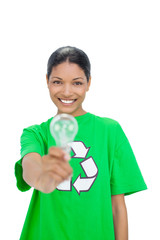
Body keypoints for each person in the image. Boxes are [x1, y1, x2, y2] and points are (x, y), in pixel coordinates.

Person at [15, 46, 147, 240]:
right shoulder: (36, 133)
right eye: (57, 82)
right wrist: (41, 175)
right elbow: (30, 167)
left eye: (77, 83)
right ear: (47, 81)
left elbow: (118, 207)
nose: (67, 92)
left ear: (88, 83)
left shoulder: (110, 131)